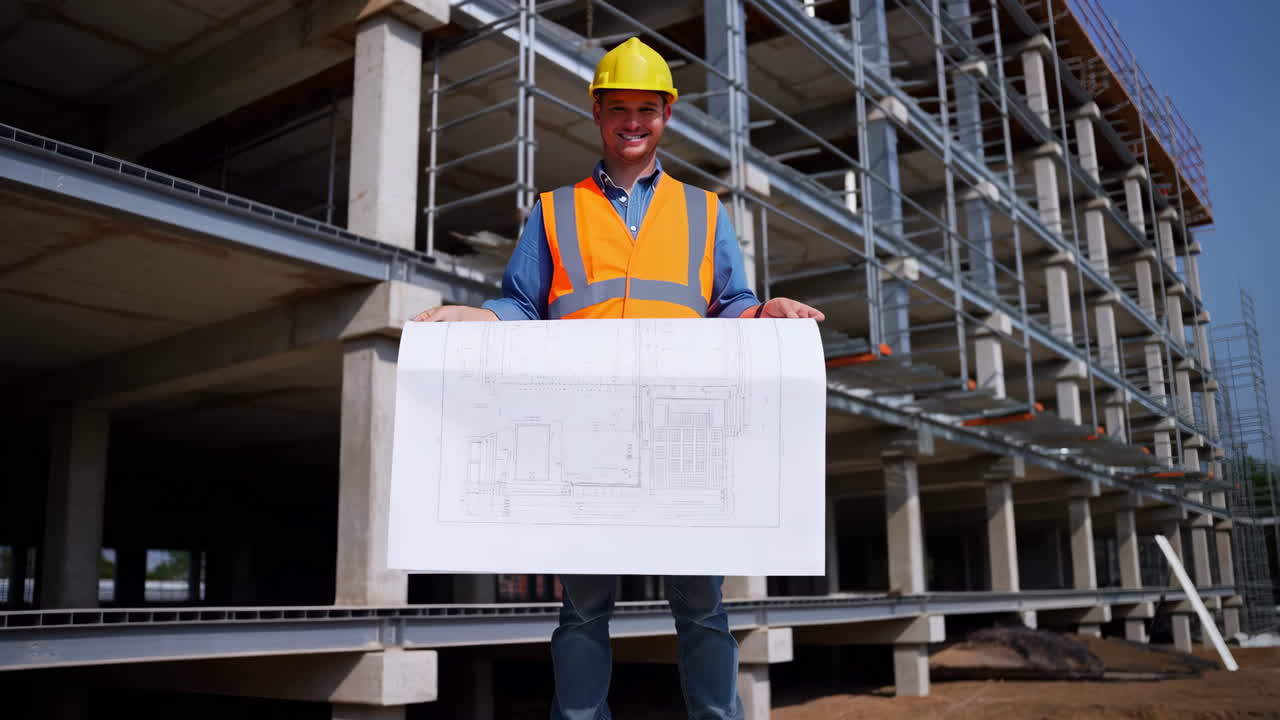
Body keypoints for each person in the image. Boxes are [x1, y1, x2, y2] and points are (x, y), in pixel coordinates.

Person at [413, 36, 822, 720]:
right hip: (587, 440)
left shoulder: (705, 211)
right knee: (582, 610)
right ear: (597, 113)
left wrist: (766, 311)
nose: (634, 122)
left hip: (682, 439)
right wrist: (480, 318)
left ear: (667, 115)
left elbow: (731, 305)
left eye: (648, 110)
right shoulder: (554, 209)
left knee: (702, 607)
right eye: (619, 109)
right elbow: (522, 301)